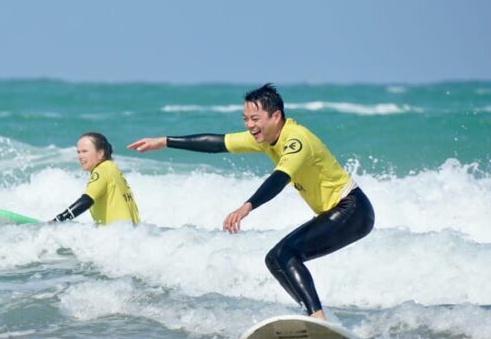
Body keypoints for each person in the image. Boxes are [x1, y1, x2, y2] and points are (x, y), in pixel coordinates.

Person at [127, 84, 374, 320]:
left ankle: (317, 316)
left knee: (286, 254)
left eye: (255, 119)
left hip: (352, 209)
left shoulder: (297, 141)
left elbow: (279, 178)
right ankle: (313, 316)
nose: (249, 125)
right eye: (245, 119)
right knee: (276, 259)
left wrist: (247, 206)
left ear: (275, 116)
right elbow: (218, 143)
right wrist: (165, 141)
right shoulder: (268, 139)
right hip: (339, 212)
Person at [53, 132, 140, 225]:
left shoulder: (101, 171)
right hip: (132, 233)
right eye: (78, 152)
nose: (80, 156)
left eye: (84, 151)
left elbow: (86, 200)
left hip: (117, 236)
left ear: (100, 154)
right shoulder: (113, 169)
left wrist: (58, 220)